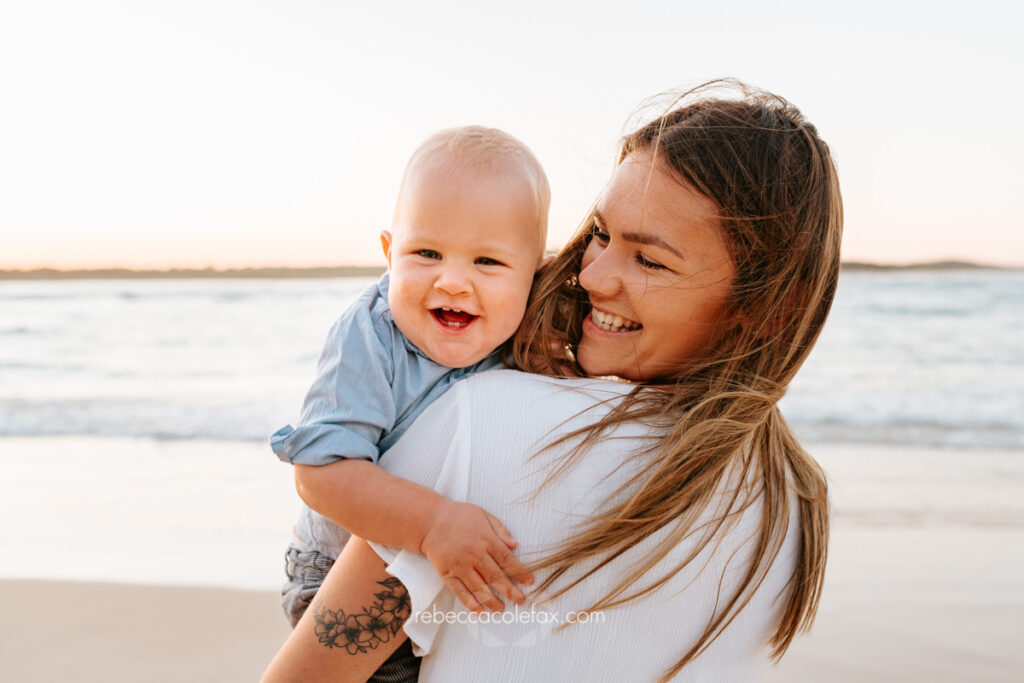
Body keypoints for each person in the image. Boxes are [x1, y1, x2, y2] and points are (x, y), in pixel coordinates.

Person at [262, 79, 841, 682]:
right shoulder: (794, 501)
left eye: (649, 259)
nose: (591, 277)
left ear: (771, 306)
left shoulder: (485, 422)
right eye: (599, 233)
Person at [269, 125, 550, 679]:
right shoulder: (373, 333)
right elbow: (319, 474)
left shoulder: (522, 330)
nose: (452, 281)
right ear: (388, 252)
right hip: (339, 572)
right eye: (426, 253)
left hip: (444, 569)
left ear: (534, 273)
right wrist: (432, 524)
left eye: (487, 263)